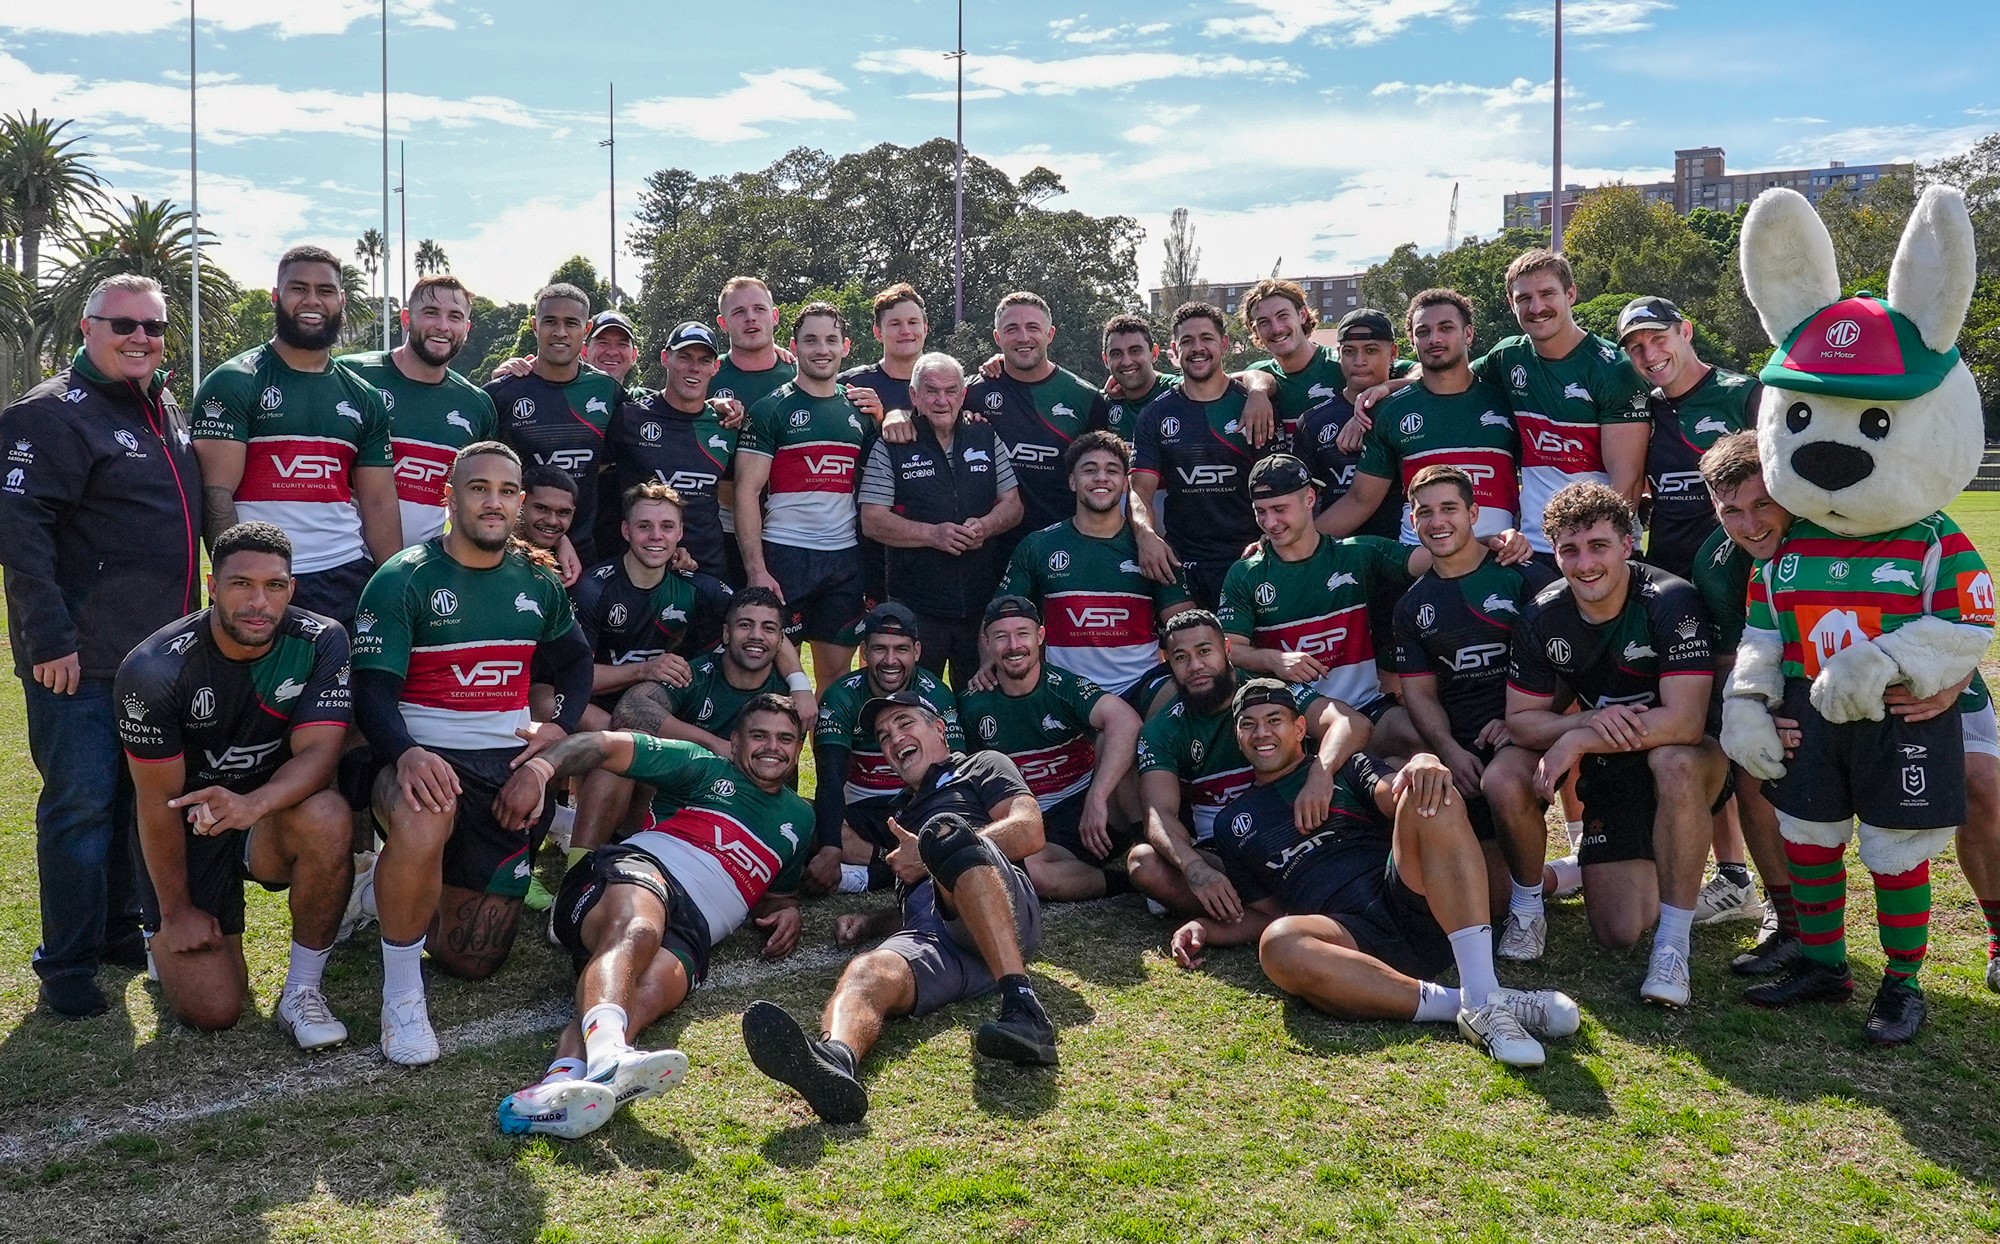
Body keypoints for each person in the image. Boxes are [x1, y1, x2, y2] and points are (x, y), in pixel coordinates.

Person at [1169, 679, 1580, 1068]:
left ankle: (1480, 985)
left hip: (1410, 901)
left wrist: (1423, 762)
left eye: (1274, 720)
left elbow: (1397, 793)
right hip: (1349, 940)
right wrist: (1208, 928)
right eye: (1249, 725)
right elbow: (1268, 914)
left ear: (1299, 727)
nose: (1262, 732)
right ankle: (1474, 1003)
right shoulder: (1230, 823)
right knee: (1278, 944)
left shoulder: (1348, 766)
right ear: (1239, 739)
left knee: (1431, 793)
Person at [349, 441, 593, 1065]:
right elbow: (372, 693)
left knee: (473, 958)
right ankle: (402, 998)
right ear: (448, 497)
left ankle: (389, 890)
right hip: (423, 756)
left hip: (504, 766)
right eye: (478, 487)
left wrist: (552, 736)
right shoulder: (404, 577)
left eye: (507, 491)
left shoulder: (538, 579)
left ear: (519, 503)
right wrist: (404, 753)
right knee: (425, 813)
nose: (494, 501)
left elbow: (577, 661)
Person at [0, 273, 204, 1017]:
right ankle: (66, 963)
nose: (139, 338)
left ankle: (118, 930)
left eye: (151, 327)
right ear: (86, 328)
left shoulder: (160, 406)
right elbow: (22, 538)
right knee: (81, 807)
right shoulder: (49, 415)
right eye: (123, 325)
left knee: (129, 804)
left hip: (154, 660)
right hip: (80, 661)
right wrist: (49, 640)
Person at [495, 696, 813, 1138]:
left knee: (640, 999)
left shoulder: (802, 817)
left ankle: (555, 1090)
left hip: (695, 928)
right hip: (638, 874)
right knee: (639, 930)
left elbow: (776, 896)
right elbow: (604, 746)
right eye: (759, 736)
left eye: (785, 739)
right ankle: (610, 1056)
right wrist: (541, 770)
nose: (772, 747)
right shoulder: (703, 766)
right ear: (736, 742)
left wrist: (787, 912)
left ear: (799, 747)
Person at [741, 689, 1056, 1124]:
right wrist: (873, 922)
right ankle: (836, 1061)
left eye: (905, 723)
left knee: (947, 836)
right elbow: (924, 902)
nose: (893, 739)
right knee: (867, 971)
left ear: (939, 729)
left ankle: (1024, 1009)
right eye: (884, 736)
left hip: (1005, 913)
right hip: (938, 940)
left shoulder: (981, 764)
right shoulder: (899, 812)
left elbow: (1030, 830)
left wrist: (935, 849)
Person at [116, 522, 355, 1044]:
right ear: (212, 585)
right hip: (187, 828)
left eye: (274, 586)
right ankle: (161, 931)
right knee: (215, 1012)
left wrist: (252, 804)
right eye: (241, 584)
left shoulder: (321, 640)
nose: (258, 602)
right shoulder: (155, 669)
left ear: (291, 589)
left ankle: (303, 992)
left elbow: (319, 755)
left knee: (328, 814)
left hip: (262, 819)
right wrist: (176, 911)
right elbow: (156, 803)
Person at [1505, 482, 1727, 1006]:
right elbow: (1521, 722)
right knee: (1618, 931)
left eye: (1599, 546)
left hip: (1691, 762)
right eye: (1569, 549)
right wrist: (1589, 727)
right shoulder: (1543, 613)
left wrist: (1579, 735)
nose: (1585, 564)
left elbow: (1686, 722)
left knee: (1672, 761)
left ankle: (1674, 948)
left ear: (1628, 544)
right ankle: (1588, 870)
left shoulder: (1671, 600)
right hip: (1614, 766)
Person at [1219, 453, 1526, 737]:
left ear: (1310, 498)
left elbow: (1437, 555)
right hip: (1294, 715)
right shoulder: (1246, 572)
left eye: (1279, 509)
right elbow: (1229, 649)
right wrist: (1276, 659)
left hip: (1369, 706)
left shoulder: (1359, 552)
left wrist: (1496, 541)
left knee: (1420, 740)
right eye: (1261, 512)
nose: (1270, 523)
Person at [1389, 466, 1565, 952]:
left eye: (1449, 508)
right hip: (1463, 746)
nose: (1437, 521)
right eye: (1425, 512)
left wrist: (1528, 721)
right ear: (1413, 519)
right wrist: (1446, 750)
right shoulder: (1412, 605)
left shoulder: (1523, 574)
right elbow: (1420, 695)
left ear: (1473, 513)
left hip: (1525, 732)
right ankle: (1554, 878)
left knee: (1503, 782)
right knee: (1485, 899)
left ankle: (1530, 914)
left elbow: (1570, 660)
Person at [193, 245, 402, 626]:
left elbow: (378, 504)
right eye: (298, 288)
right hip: (263, 582)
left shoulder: (363, 396)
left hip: (345, 575)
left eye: (325, 291)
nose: (312, 300)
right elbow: (215, 494)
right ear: (277, 296)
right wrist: (237, 580)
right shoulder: (234, 381)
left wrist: (395, 588)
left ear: (341, 299)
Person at [1125, 610, 1370, 919]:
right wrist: (1195, 868)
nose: (1196, 666)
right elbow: (1158, 814)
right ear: (1168, 663)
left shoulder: (1269, 690)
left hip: (1297, 827)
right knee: (1143, 864)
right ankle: (1271, 917)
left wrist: (1321, 772)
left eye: (1204, 651)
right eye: (1181, 657)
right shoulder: (1161, 728)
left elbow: (1352, 724)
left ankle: (1265, 918)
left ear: (1227, 650)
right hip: (1225, 852)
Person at [1691, 433, 1802, 972]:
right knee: (1752, 770)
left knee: (1976, 780)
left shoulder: (1831, 526)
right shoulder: (1714, 563)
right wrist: (1764, 713)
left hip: (1863, 680)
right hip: (1782, 686)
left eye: (1762, 503)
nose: (1750, 524)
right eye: (1730, 509)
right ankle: (1790, 921)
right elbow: (1743, 653)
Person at [958, 596, 1144, 901]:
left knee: (1116, 744)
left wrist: (1097, 797)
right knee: (1036, 876)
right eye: (1001, 637)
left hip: (1094, 808)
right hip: (1037, 822)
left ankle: (1146, 845)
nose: (1014, 645)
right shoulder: (973, 703)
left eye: (1023, 633)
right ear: (986, 643)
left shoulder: (1062, 686)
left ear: (1040, 636)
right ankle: (1132, 883)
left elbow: (1126, 721)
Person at [1476, 252, 1651, 563]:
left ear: (1571, 294)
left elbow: (1628, 481)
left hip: (1600, 546)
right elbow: (1447, 377)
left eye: (1547, 294)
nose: (1537, 307)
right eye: (1524, 298)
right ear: (1510, 302)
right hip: (1535, 547)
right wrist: (1386, 388)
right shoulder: (1508, 356)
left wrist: (1594, 550)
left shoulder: (1615, 370)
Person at [858, 351, 1022, 682]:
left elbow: (1014, 505)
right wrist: (933, 535)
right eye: (931, 391)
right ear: (914, 396)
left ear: (963, 395)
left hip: (980, 604)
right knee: (914, 705)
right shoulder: (892, 443)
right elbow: (872, 520)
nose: (941, 400)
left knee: (980, 702)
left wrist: (987, 526)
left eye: (951, 391)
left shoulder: (984, 435)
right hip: (917, 607)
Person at [996, 430, 1193, 702]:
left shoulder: (1153, 550)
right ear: (1072, 481)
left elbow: (1186, 629)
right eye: (1090, 470)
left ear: (1125, 484)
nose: (1101, 477)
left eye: (1112, 470)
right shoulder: (1038, 546)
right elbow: (999, 618)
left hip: (1143, 687)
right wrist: (988, 663)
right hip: (1066, 692)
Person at [733, 302, 869, 692]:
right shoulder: (770, 409)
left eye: (831, 339)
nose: (821, 349)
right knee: (776, 681)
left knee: (836, 681)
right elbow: (746, 491)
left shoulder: (860, 411)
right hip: (785, 556)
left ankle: (831, 757)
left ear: (846, 346)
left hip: (843, 559)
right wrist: (757, 570)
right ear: (795, 345)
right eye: (810, 340)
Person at [1320, 291, 1520, 547]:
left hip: (1500, 556)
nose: (1434, 339)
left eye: (1445, 328)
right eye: (1423, 332)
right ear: (1412, 341)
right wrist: (1290, 543)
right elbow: (1360, 501)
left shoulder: (1506, 400)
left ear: (1468, 333)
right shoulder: (1390, 410)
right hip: (1420, 562)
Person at [1132, 302, 1288, 609]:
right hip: (1182, 563)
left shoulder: (1253, 405)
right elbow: (1139, 491)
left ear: (1225, 344)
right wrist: (1144, 533)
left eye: (1207, 338)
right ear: (1175, 351)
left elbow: (1281, 488)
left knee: (1245, 652)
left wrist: (1272, 541)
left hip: (1251, 557)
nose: (1197, 348)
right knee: (1190, 650)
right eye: (1187, 342)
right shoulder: (1155, 414)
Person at [807, 603, 964, 895]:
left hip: (918, 810)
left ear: (917, 651)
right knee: (805, 826)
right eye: (880, 649)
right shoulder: (841, 695)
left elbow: (953, 772)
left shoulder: (937, 694)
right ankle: (897, 866)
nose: (890, 660)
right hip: (860, 812)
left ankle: (868, 872)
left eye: (901, 649)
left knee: (952, 832)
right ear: (864, 652)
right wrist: (831, 847)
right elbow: (829, 779)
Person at [338, 275, 500, 546]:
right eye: (431, 313)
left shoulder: (478, 405)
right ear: (406, 318)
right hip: (345, 562)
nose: (443, 326)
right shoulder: (351, 375)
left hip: (424, 568)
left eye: (455, 317)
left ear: (467, 327)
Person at [484, 283, 627, 565]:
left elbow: (656, 414)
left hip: (585, 550)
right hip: (511, 549)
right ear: (535, 325)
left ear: (586, 330)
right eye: (550, 321)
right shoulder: (500, 394)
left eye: (571, 323)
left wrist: (714, 407)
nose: (560, 332)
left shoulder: (607, 391)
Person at [570, 482, 732, 729]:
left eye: (666, 527)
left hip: (664, 710)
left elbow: (760, 614)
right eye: (644, 526)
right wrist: (645, 670)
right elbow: (575, 676)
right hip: (599, 709)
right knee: (544, 698)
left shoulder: (697, 587)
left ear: (680, 533)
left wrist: (798, 684)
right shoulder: (593, 589)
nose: (656, 535)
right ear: (626, 530)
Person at [1620, 297, 1761, 580]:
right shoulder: (1642, 412)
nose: (1650, 355)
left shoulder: (1744, 396)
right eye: (1637, 347)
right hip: (1667, 579)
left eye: (1659, 339)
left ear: (1685, 332)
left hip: (1739, 580)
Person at [605, 322, 737, 580]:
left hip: (708, 569)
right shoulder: (630, 417)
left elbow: (735, 497)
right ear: (666, 357)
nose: (694, 368)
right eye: (685, 357)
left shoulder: (726, 425)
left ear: (715, 367)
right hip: (643, 571)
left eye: (704, 360)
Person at [707, 277, 797, 587]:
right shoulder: (706, 371)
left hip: (789, 521)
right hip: (723, 520)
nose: (750, 318)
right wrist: (707, 406)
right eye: (739, 312)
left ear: (774, 315)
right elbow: (672, 410)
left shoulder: (800, 371)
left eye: (759, 309)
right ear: (723, 322)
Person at [1241, 278, 1412, 436]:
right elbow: (1223, 379)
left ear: (1302, 315)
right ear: (1255, 330)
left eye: (1283, 316)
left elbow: (1423, 375)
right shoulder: (1259, 374)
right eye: (1264, 322)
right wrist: (1257, 390)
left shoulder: (1346, 363)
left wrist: (1385, 388)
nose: (1276, 329)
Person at [1293, 308, 1405, 541]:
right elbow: (1300, 499)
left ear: (1393, 352)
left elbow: (1436, 376)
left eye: (1371, 350)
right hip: (1337, 556)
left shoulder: (1410, 409)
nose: (1360, 361)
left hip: (1404, 552)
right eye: (1349, 352)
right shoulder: (1313, 421)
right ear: (1338, 354)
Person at [1099, 313, 1177, 442]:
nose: (1126, 362)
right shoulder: (1101, 405)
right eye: (1116, 353)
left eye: (1135, 351)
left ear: (1154, 353)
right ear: (1106, 360)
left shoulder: (1179, 392)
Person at [515, 465, 580, 560]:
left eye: (563, 512)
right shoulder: (493, 550)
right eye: (542, 508)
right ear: (520, 503)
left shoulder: (577, 561)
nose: (552, 521)